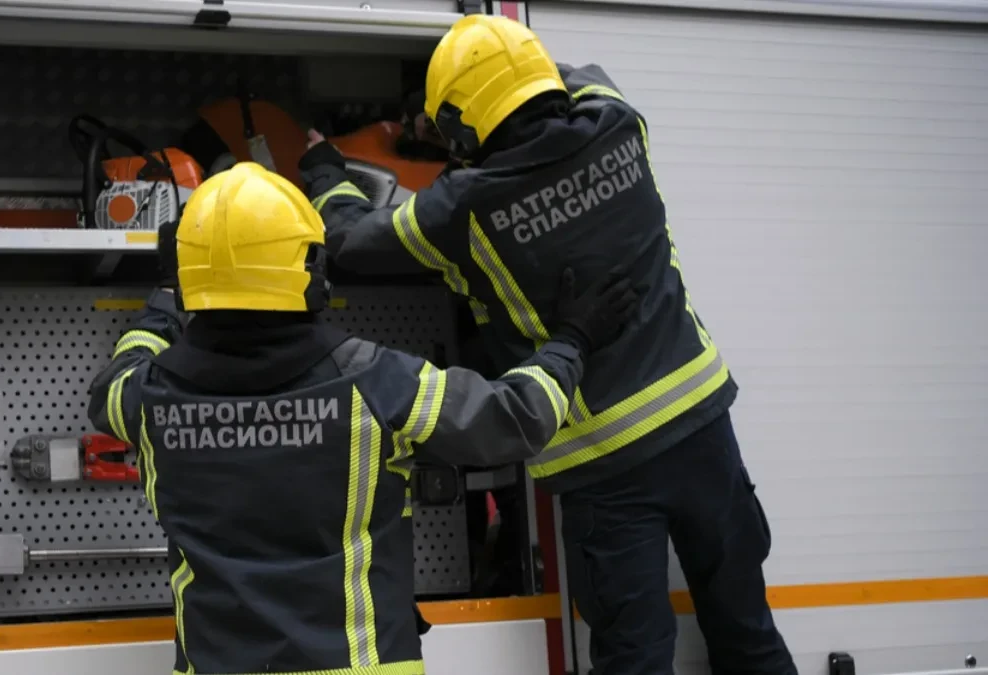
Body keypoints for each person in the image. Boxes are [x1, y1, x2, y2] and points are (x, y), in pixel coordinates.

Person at [296, 14, 797, 675]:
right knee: (747, 628)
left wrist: (323, 167)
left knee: (635, 655)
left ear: (464, 126)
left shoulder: (461, 207)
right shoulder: (620, 120)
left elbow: (351, 239)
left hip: (605, 462)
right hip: (704, 423)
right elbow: (576, 79)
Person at [85, 161, 638, 675]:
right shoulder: (375, 382)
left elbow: (111, 384)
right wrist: (573, 339)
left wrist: (162, 303)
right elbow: (519, 417)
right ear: (309, 269)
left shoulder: (146, 399)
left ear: (188, 278)